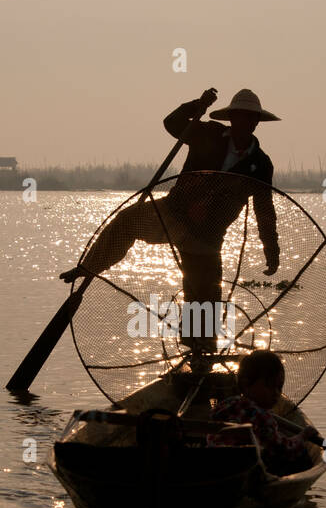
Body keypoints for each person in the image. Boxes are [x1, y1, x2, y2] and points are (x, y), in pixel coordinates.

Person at [58, 88, 282, 348]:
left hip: (207, 236)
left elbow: (264, 210)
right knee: (127, 220)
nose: (244, 122)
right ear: (231, 118)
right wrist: (197, 104)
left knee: (204, 296)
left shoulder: (260, 164)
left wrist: (271, 249)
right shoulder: (207, 134)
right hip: (171, 214)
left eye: (249, 118)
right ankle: (88, 267)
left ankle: (200, 352)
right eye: (239, 117)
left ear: (256, 123)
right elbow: (172, 123)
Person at [208, 349, 320, 475]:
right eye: (270, 386)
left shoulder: (227, 405)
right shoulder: (262, 417)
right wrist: (303, 436)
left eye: (279, 387)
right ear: (246, 384)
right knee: (303, 456)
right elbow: (284, 450)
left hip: (217, 465)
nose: (277, 393)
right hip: (247, 470)